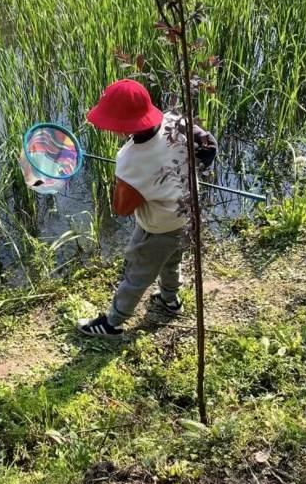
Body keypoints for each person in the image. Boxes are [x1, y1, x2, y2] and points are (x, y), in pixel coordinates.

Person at [78, 78, 216, 338]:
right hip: (188, 214)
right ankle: (169, 300)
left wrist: (119, 182)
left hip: (158, 226)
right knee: (172, 260)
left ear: (121, 125)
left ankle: (112, 323)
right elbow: (209, 145)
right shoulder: (176, 123)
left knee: (137, 270)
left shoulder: (129, 160)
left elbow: (122, 209)